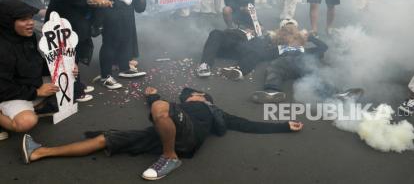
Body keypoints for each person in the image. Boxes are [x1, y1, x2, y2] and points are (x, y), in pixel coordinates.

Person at [20, 86, 303, 180]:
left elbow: (246, 124)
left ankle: (170, 158)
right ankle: (40, 152)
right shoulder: (176, 108)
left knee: (161, 107)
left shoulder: (213, 110)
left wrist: (283, 125)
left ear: (203, 97)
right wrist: (152, 96)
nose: (188, 96)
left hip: (187, 138)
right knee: (106, 138)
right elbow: (160, 113)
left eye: (190, 95)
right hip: (163, 131)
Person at [0, 0, 78, 137]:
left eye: (30, 18)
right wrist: (36, 92)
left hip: (28, 86)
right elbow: (4, 87)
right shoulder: (3, 49)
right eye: (23, 19)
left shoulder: (27, 37)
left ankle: (36, 105)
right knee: (27, 122)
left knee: (71, 84)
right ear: (8, 22)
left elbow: (38, 64)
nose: (30, 22)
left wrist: (66, 67)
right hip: (8, 93)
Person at [252, 23, 329, 103]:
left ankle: (330, 93)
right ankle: (272, 92)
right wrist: (268, 38)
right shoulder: (278, 49)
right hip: (283, 67)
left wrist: (310, 37)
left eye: (292, 35)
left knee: (311, 69)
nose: (289, 37)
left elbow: (324, 47)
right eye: (285, 34)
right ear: (281, 38)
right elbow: (261, 53)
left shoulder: (304, 50)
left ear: (298, 38)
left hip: (302, 65)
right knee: (273, 69)